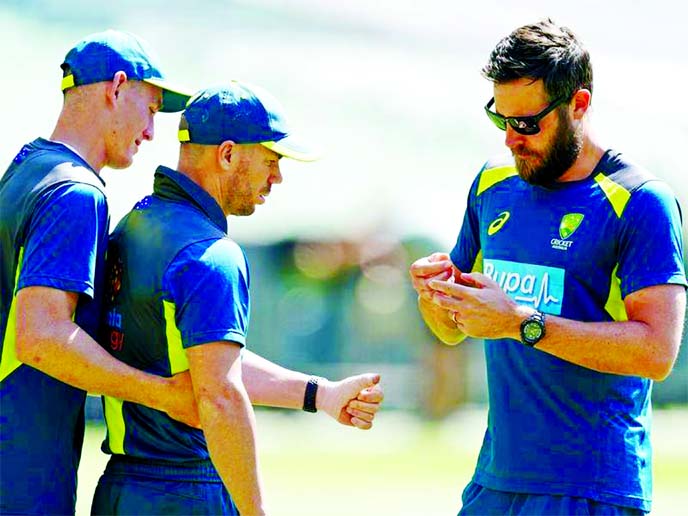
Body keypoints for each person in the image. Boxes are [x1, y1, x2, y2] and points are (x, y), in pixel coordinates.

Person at [409, 19, 686, 516]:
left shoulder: (642, 202)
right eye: (503, 120)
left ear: (578, 105)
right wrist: (436, 299)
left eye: (528, 123)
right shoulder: (493, 185)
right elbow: (452, 331)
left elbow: (656, 352)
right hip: (494, 482)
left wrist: (520, 324)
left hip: (592, 489)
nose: (513, 139)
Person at [91, 81, 384, 516]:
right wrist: (254, 511)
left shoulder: (135, 225)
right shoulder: (211, 254)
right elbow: (220, 395)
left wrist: (320, 394)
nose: (278, 176)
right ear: (227, 154)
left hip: (120, 488)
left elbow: (206, 363)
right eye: (271, 160)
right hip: (188, 489)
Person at [0, 30, 198, 515]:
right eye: (150, 110)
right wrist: (164, 394)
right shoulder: (77, 194)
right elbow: (41, 338)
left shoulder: (25, 170)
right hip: (20, 470)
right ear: (116, 88)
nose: (151, 132)